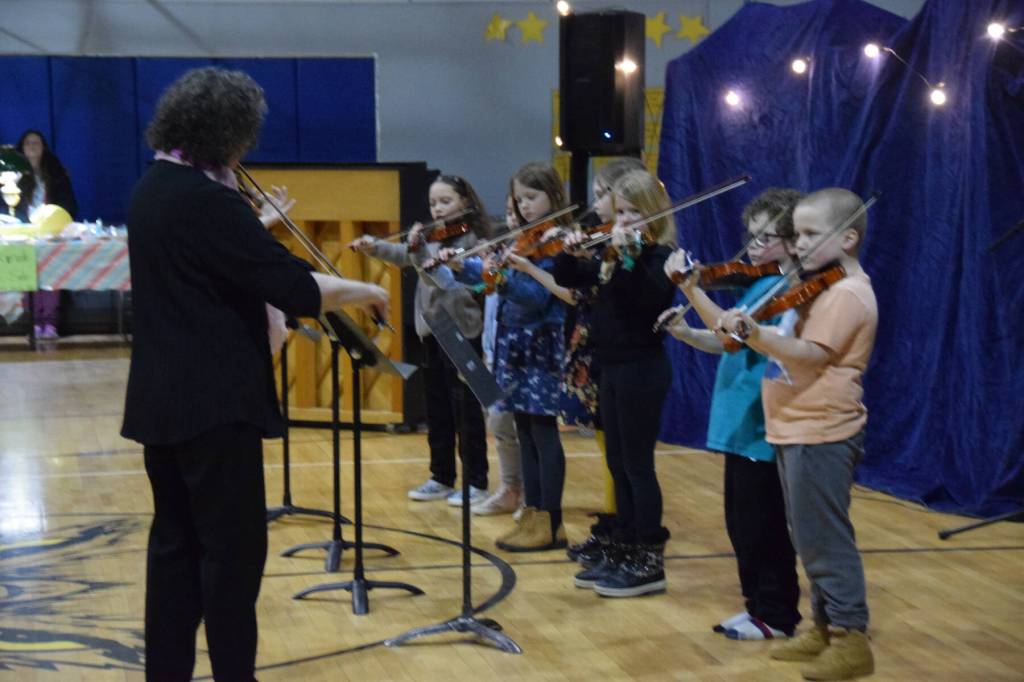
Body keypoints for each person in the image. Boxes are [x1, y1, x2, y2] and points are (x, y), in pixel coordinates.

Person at [122, 66, 389, 682]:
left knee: (173, 551)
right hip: (215, 408)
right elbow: (291, 287)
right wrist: (360, 290)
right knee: (231, 558)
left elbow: (211, 268)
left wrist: (252, 227)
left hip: (162, 405)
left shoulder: (152, 189)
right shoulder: (210, 202)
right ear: (227, 133)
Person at [718, 188, 877, 680]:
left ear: (848, 238)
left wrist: (756, 334)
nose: (799, 244)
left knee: (825, 541)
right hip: (796, 428)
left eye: (811, 234)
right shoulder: (824, 288)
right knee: (807, 539)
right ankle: (824, 628)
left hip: (821, 430)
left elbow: (811, 354)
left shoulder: (848, 293)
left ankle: (852, 640)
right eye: (798, 233)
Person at [661, 188, 804, 640]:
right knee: (741, 525)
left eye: (768, 238)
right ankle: (756, 606)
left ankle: (779, 614)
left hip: (761, 422)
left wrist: (691, 288)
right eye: (753, 236)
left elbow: (732, 327)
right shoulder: (758, 280)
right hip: (735, 421)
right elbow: (725, 341)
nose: (755, 246)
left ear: (795, 239)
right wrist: (685, 333)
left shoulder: (788, 287)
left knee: (763, 524)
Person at [554, 169, 676, 597]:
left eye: (632, 213)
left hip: (642, 369)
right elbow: (570, 279)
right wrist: (570, 253)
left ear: (653, 216)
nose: (622, 221)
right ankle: (622, 546)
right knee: (618, 464)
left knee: (638, 466)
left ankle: (648, 559)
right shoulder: (612, 252)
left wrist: (625, 258)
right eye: (619, 212)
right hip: (612, 368)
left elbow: (644, 300)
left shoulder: (660, 258)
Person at [349, 175, 490, 506]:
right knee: (437, 408)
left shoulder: (472, 241)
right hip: (431, 330)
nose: (437, 209)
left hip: (461, 332)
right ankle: (441, 476)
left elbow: (442, 279)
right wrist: (376, 246)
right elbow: (407, 256)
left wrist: (421, 249)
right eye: (433, 203)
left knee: (465, 410)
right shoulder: (436, 236)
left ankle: (476, 481)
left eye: (445, 201)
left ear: (465, 203)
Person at [452, 162, 569, 551]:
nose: (524, 206)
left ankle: (550, 519)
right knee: (525, 434)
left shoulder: (557, 244)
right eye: (519, 199)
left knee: (543, 434)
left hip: (539, 349)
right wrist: (461, 267)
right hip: (514, 348)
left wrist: (502, 275)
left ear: (553, 195)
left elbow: (536, 296)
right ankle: (532, 513)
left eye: (532, 198)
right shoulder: (522, 240)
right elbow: (491, 280)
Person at [471, 194, 523, 516]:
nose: (514, 218)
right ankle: (510, 487)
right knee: (498, 423)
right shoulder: (501, 251)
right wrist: (465, 264)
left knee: (523, 428)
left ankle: (531, 493)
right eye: (508, 212)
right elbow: (481, 289)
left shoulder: (529, 256)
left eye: (519, 210)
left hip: (521, 353)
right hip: (494, 349)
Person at [17, 129, 77, 340]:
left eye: (37, 143)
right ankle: (34, 322)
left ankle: (50, 322)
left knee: (51, 278)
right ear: (22, 148)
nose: (32, 146)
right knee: (27, 277)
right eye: (28, 143)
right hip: (24, 234)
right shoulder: (12, 175)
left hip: (51, 234)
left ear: (43, 148)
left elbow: (68, 204)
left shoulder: (56, 173)